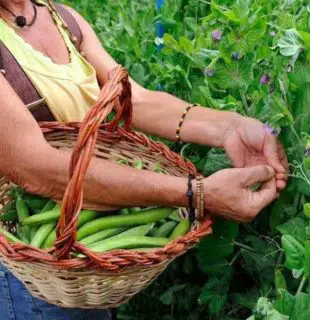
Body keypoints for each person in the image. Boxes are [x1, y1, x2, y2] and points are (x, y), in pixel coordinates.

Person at [0, 0, 289, 319]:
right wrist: (194, 193)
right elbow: (36, 168)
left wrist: (230, 127)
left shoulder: (61, 16)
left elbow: (135, 99)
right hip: (29, 274)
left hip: (88, 261)